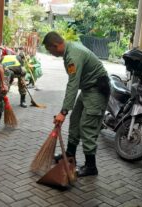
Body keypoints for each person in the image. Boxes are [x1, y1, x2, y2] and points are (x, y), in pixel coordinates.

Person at [42, 31, 110, 177]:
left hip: (96, 91)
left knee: (87, 126)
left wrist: (63, 111)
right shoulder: (69, 49)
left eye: (49, 50)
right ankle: (70, 156)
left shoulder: (73, 55)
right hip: (87, 89)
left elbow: (73, 84)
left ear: (55, 45)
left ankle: (91, 166)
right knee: (75, 121)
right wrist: (66, 112)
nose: (50, 53)